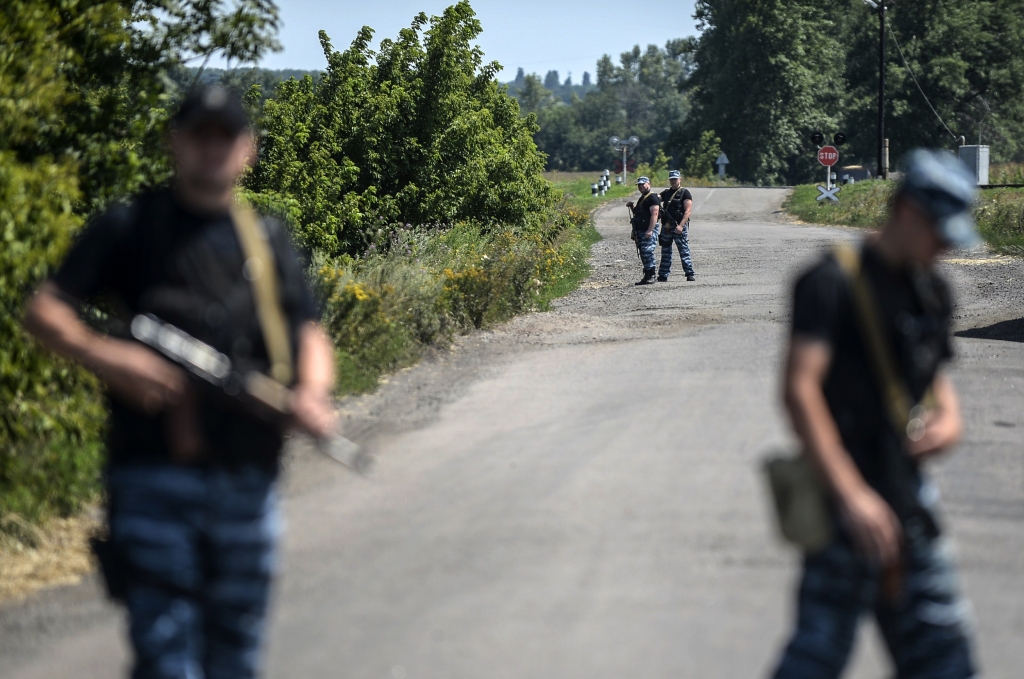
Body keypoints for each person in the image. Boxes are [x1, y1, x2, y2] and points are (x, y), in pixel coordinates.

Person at [23, 86, 337, 679]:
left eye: (226, 136)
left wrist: (312, 395)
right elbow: (45, 311)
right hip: (154, 476)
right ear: (176, 144)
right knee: (169, 661)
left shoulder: (266, 239)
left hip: (247, 480)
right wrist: (112, 359)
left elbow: (309, 334)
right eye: (200, 135)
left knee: (235, 658)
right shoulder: (129, 226)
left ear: (249, 150)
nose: (212, 148)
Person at [770, 150, 980, 679]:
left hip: (909, 502)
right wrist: (853, 497)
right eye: (941, 231)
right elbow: (800, 390)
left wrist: (949, 423)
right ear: (907, 211)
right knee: (815, 658)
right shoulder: (830, 282)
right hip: (846, 508)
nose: (948, 247)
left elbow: (935, 381)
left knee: (945, 658)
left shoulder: (930, 289)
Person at [657, 170, 696, 282]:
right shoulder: (666, 192)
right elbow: (656, 199)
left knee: (684, 251)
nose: (673, 181)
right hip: (667, 227)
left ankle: (689, 273)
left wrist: (681, 225)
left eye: (675, 179)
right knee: (665, 251)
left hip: (679, 226)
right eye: (672, 179)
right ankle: (663, 274)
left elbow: (687, 211)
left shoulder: (685, 193)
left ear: (680, 179)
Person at [626, 176, 662, 285]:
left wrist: (650, 230)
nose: (641, 186)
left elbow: (654, 215)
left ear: (648, 184)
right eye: (639, 185)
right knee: (643, 252)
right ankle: (647, 275)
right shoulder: (643, 197)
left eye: (643, 184)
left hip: (648, 228)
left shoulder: (652, 198)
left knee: (647, 251)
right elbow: (637, 212)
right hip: (641, 229)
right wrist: (632, 206)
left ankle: (651, 275)